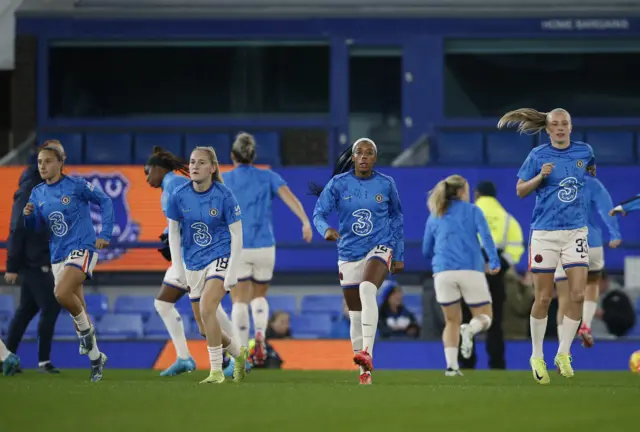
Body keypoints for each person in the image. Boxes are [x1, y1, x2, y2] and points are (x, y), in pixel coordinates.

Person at [499, 107, 596, 384]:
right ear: (548, 129)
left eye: (565, 123)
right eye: (555, 124)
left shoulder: (584, 151)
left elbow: (591, 166)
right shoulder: (537, 156)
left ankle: (563, 353)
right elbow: (519, 191)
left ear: (571, 126)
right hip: (545, 233)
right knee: (543, 297)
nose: (561, 128)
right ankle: (537, 354)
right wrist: (541, 176)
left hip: (575, 231)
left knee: (577, 294)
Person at [311, 138, 404, 385]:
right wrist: (325, 230)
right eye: (359, 153)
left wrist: (399, 253)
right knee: (355, 315)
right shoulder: (338, 184)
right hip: (348, 252)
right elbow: (318, 213)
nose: (364, 156)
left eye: (369, 153)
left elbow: (396, 217)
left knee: (367, 288)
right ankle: (364, 372)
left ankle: (368, 353)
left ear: (376, 157)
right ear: (353, 157)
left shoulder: (386, 184)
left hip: (379, 247)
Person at [23, 143, 115, 382]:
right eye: (40, 162)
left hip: (82, 247)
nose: (42, 165)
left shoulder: (75, 185)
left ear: (60, 163)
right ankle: (97, 360)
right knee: (78, 309)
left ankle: (87, 335)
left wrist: (105, 233)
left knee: (61, 293)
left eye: (48, 161)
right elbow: (35, 229)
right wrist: (28, 217)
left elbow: (105, 201)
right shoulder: (37, 193)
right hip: (58, 255)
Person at [222, 132, 313, 364]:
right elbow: (291, 199)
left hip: (238, 246)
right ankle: (260, 334)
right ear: (253, 156)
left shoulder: (224, 179)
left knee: (239, 300)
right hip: (265, 247)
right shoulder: (268, 177)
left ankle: (240, 355)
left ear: (233, 155)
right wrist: (304, 221)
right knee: (259, 295)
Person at [166, 146, 249, 384]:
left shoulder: (224, 195)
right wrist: (178, 268)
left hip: (220, 257)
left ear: (212, 168)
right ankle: (239, 354)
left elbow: (237, 235)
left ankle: (216, 371)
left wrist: (232, 271)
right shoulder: (178, 195)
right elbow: (174, 234)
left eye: (201, 163)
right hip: (193, 264)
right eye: (192, 162)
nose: (194, 166)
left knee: (207, 307)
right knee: (204, 327)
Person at [422, 175, 500, 376]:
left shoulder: (435, 214)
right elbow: (486, 237)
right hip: (471, 269)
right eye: (466, 189)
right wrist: (494, 260)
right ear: (459, 192)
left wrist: (439, 260)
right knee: (485, 316)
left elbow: (426, 249)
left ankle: (451, 367)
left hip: (442, 272)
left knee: (451, 321)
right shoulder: (474, 211)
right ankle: (471, 330)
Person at [4, 141, 62, 374]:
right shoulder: (30, 189)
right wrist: (12, 265)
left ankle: (6, 357)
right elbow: (17, 227)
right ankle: (43, 362)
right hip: (33, 261)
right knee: (51, 305)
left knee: (26, 310)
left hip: (40, 258)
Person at [144, 146, 197, 376]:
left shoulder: (173, 185)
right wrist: (168, 232)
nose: (147, 178)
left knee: (207, 310)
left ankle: (236, 356)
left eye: (148, 172)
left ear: (157, 168)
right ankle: (184, 358)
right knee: (165, 303)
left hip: (192, 257)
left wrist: (172, 235)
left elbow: (189, 215)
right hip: (188, 255)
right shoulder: (172, 185)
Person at [462, 180, 524, 370]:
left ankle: (466, 362)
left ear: (477, 194)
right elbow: (516, 247)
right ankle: (497, 364)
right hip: (495, 274)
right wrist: (499, 264)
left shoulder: (466, 215)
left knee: (466, 318)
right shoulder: (507, 218)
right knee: (494, 322)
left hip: (470, 271)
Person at [555, 176, 621, 349]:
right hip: (591, 242)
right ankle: (585, 324)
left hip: (564, 244)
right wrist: (615, 233)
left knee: (564, 299)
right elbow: (607, 208)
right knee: (592, 283)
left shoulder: (553, 183)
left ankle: (564, 350)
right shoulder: (592, 184)